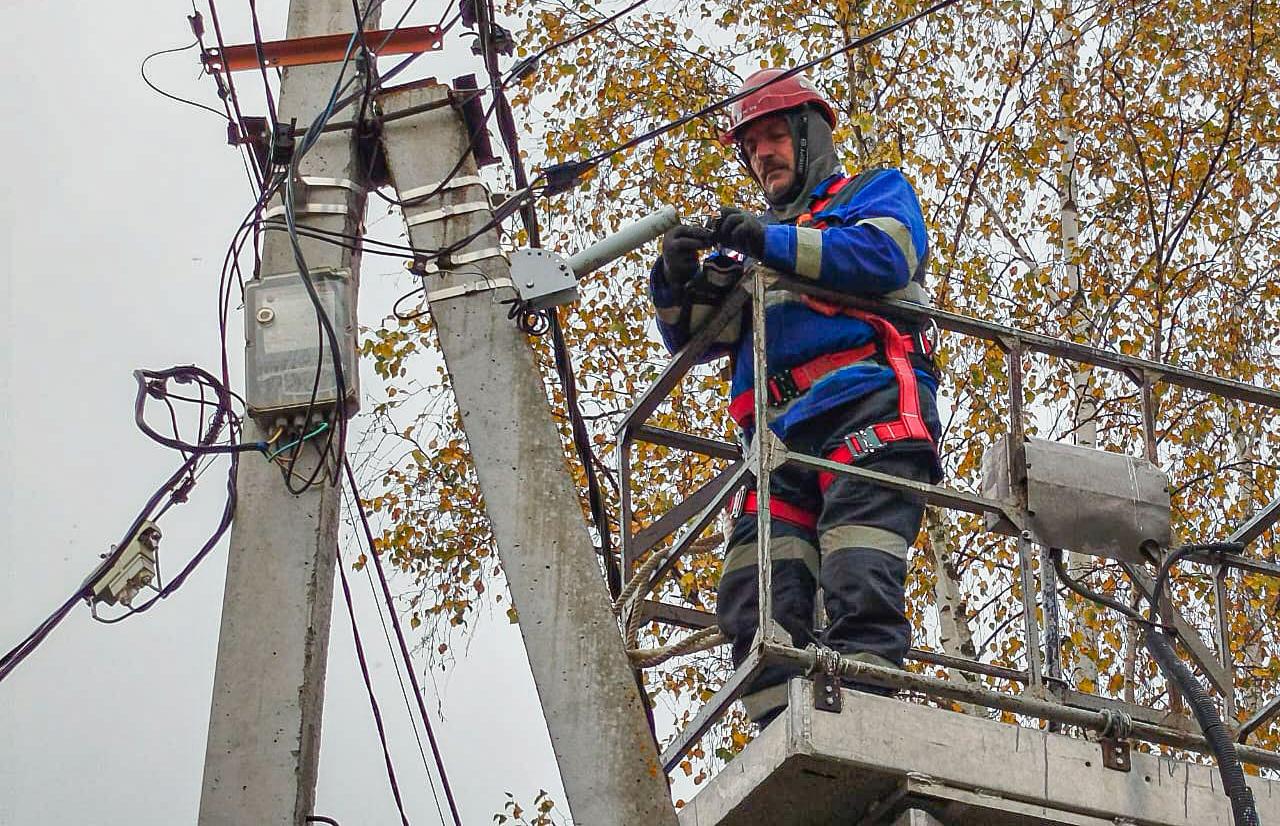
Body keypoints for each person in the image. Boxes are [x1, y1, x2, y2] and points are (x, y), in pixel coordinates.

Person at [648, 68, 943, 725]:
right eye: (752, 148)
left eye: (776, 137)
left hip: (865, 413)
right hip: (779, 446)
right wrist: (672, 282)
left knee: (858, 573)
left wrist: (768, 241)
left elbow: (885, 257)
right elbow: (692, 338)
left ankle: (862, 729)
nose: (763, 156)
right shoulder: (759, 253)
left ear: (811, 137)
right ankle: (789, 741)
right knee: (754, 600)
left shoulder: (873, 194)